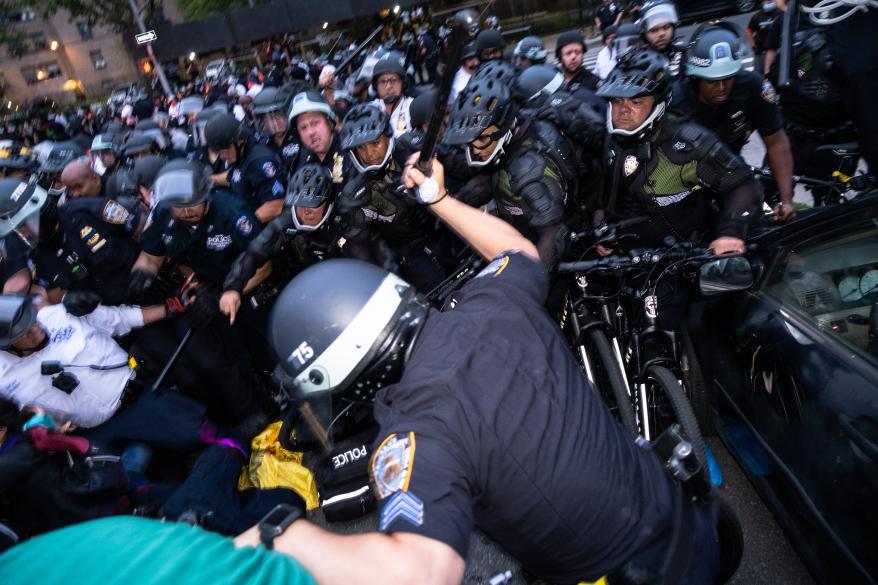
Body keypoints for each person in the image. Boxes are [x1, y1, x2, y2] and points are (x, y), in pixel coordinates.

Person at [232, 152, 735, 585]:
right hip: (688, 511)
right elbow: (518, 252)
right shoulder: (491, 303)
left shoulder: (416, 434)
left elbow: (424, 572)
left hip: (637, 571)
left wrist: (288, 536)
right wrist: (439, 199)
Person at [595, 49, 761, 331]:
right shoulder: (613, 140)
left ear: (659, 103)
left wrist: (731, 232)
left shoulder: (688, 142)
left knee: (704, 337)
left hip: (683, 261)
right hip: (630, 262)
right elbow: (604, 192)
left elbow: (743, 183)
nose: (623, 110)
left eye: (636, 101)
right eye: (616, 100)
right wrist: (602, 227)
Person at [130, 159, 270, 425]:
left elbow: (263, 266)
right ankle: (253, 412)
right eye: (178, 208)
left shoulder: (233, 212)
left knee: (261, 350)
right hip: (204, 292)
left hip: (248, 288)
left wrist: (223, 294)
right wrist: (141, 274)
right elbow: (150, 256)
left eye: (192, 204)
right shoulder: (164, 216)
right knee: (222, 360)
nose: (185, 213)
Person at [443, 75, 578, 267]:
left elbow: (554, 237)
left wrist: (526, 288)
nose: (474, 150)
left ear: (504, 125)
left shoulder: (530, 171)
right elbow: (485, 179)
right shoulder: (512, 135)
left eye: (481, 140)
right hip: (518, 230)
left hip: (544, 253)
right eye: (469, 143)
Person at [670, 21, 795, 221]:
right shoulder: (675, 100)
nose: (721, 87)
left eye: (727, 78)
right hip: (686, 182)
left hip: (732, 172)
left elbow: (776, 142)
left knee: (756, 220)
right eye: (711, 81)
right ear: (696, 78)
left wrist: (786, 199)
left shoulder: (753, 86)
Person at [335, 104, 442, 291]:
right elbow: (363, 251)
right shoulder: (355, 196)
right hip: (413, 258)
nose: (370, 154)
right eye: (361, 147)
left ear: (387, 136)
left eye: (375, 143)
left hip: (448, 230)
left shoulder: (413, 146)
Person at [220, 164, 340, 325]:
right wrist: (232, 287)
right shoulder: (285, 222)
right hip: (311, 284)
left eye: (314, 203)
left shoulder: (345, 216)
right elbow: (254, 252)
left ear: (328, 200)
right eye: (301, 204)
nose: (306, 211)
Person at [204, 113, 286, 224]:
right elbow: (235, 177)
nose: (222, 156)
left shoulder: (260, 162)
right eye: (219, 152)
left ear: (240, 141)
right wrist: (208, 179)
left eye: (225, 150)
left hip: (266, 229)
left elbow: (276, 204)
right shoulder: (242, 156)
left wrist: (243, 226)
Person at [289, 91, 346, 182]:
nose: (311, 132)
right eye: (303, 127)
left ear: (330, 122)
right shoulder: (302, 162)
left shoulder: (351, 152)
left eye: (315, 123)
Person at [252, 86, 303, 176]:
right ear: (262, 122)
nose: (276, 124)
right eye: (269, 119)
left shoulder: (302, 136)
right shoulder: (262, 145)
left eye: (279, 115)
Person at [370, 52, 414, 139]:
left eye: (394, 80)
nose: (388, 86)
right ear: (376, 86)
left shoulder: (414, 108)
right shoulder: (370, 110)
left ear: (403, 84)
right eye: (383, 81)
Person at [638, 0, 686, 77]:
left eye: (666, 27)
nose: (661, 34)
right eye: (654, 30)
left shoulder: (684, 53)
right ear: (644, 34)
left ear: (673, 28)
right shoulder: (639, 62)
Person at [747, 0, 785, 73]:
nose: (767, 3)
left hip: (779, 50)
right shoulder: (757, 16)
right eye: (765, 2)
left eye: (769, 2)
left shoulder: (780, 14)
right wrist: (754, 47)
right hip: (762, 51)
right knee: (759, 73)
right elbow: (748, 31)